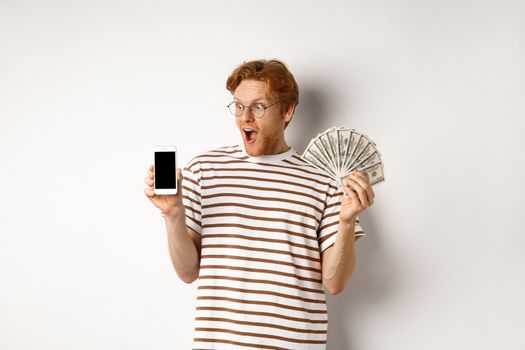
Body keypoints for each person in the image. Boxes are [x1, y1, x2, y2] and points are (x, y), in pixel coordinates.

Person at [144, 59, 375, 349]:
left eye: (258, 107)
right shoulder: (204, 170)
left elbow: (334, 283)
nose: (245, 118)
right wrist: (173, 213)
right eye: (239, 106)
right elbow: (187, 272)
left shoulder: (323, 183)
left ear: (287, 110)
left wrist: (346, 221)